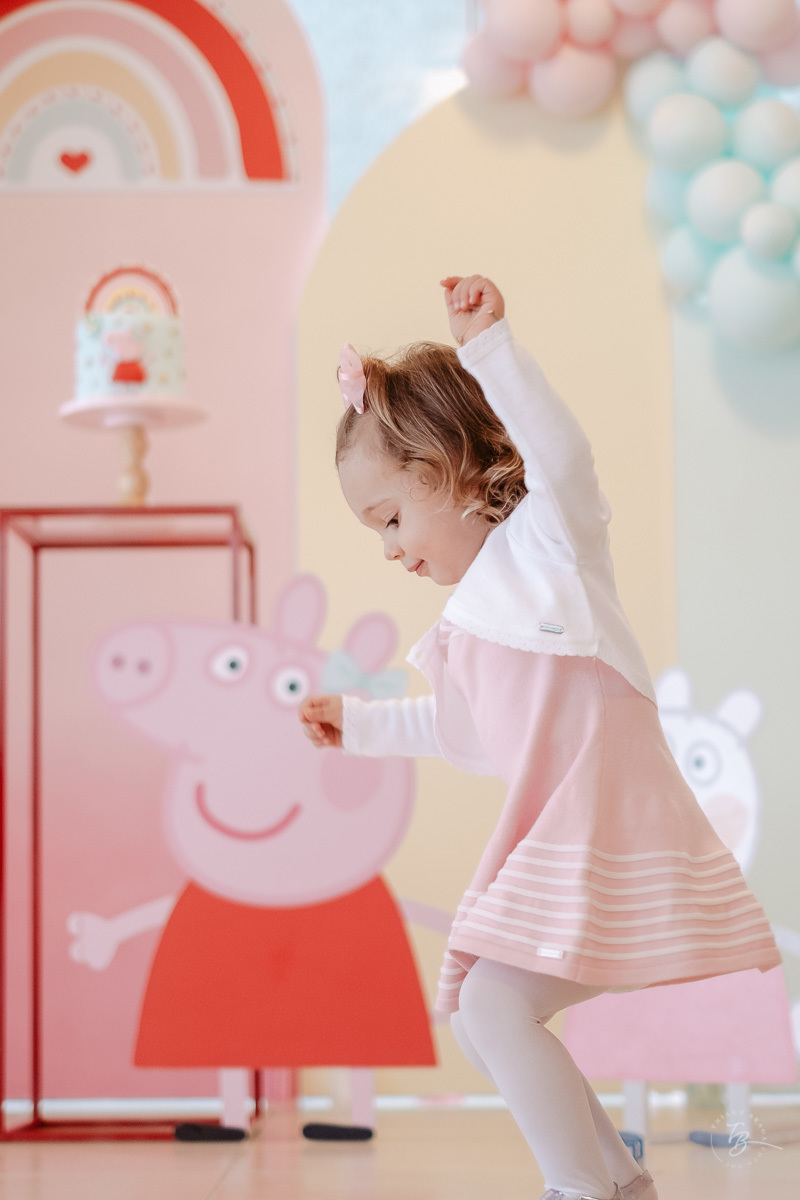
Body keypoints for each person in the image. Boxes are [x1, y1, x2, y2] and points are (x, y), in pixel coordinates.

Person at [298, 275, 783, 1200]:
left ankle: (582, 1186)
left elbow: (561, 456)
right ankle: (612, 1180)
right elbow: (455, 731)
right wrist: (358, 724)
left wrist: (491, 352)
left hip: (607, 825)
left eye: (393, 518)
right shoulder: (468, 625)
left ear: (454, 470)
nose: (392, 551)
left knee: (490, 1006)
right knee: (483, 1018)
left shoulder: (551, 550)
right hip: (558, 835)